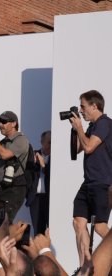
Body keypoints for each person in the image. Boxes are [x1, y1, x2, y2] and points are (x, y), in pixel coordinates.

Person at [69, 90, 112, 268]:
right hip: (89, 182)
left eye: (83, 106)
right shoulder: (92, 126)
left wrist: (79, 128)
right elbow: (76, 150)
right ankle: (84, 267)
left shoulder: (104, 124)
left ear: (95, 106)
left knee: (101, 226)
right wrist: (74, 130)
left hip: (102, 183)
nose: (81, 110)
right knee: (78, 222)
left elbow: (88, 147)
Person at [0, 111, 30, 222]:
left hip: (15, 188)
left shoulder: (21, 140)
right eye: (0, 122)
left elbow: (5, 154)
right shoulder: (2, 142)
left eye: (4, 122)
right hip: (2, 188)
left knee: (3, 222)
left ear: (13, 124)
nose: (1, 125)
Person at [28, 130, 51, 235]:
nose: (51, 145)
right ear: (42, 142)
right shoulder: (33, 155)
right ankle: (38, 251)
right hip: (36, 199)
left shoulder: (56, 158)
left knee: (51, 229)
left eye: (52, 142)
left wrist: (43, 165)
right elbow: (27, 175)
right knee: (38, 231)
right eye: (49, 142)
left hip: (50, 198)